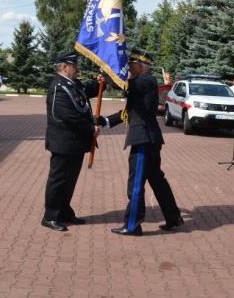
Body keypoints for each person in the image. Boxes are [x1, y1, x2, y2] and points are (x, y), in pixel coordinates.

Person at [97, 50, 182, 236]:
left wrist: (106, 72)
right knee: (157, 181)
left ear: (142, 66)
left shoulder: (145, 80)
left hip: (144, 139)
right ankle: (173, 217)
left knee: (135, 184)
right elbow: (130, 112)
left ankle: (132, 225)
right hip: (149, 138)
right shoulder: (142, 83)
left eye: (132, 64)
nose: (129, 68)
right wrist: (106, 121)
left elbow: (123, 84)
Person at [41, 52, 100, 232]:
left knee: (70, 180)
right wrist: (91, 129)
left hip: (75, 143)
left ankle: (64, 211)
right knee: (58, 180)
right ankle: (50, 216)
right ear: (64, 67)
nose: (77, 69)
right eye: (74, 66)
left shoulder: (74, 84)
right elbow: (69, 117)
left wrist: (100, 82)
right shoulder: (58, 88)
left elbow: (86, 93)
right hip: (63, 142)